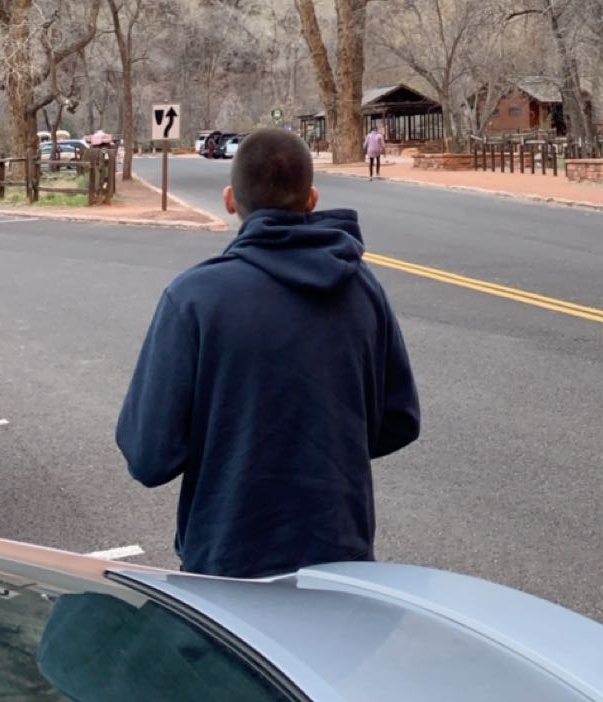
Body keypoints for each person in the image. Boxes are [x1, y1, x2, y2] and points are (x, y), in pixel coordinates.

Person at [116, 128, 420, 577]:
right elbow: (399, 420)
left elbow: (149, 456)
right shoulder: (361, 287)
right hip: (343, 561)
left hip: (227, 563)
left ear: (229, 200)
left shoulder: (195, 298)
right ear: (312, 199)